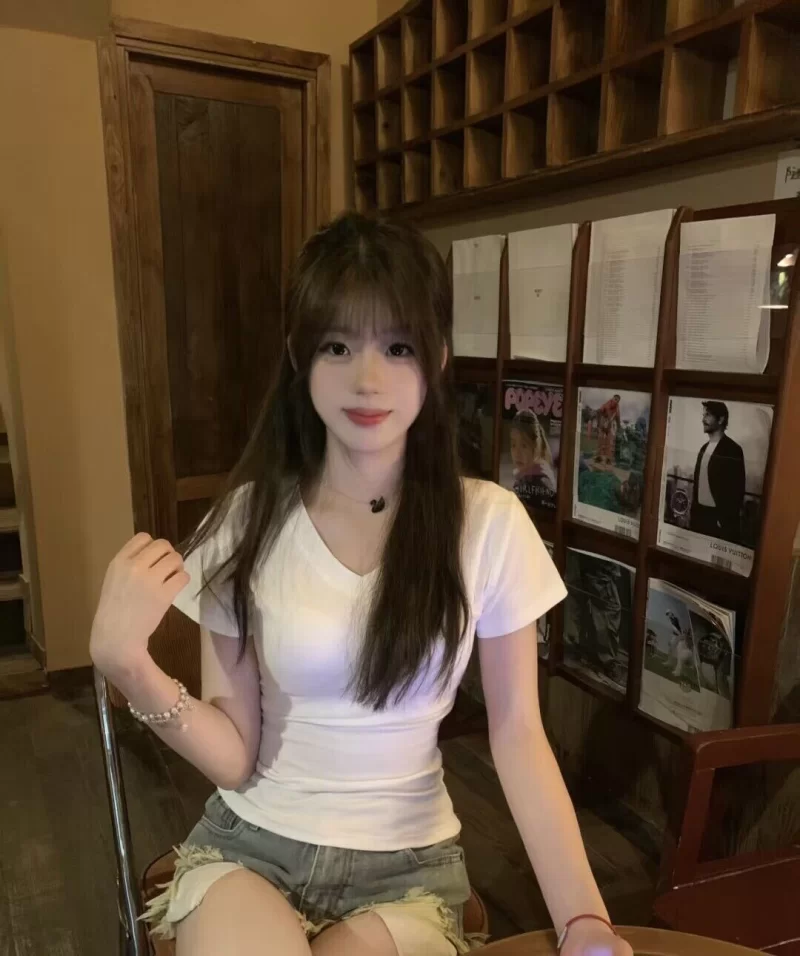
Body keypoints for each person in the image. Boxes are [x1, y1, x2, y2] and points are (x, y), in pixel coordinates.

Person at [90, 214, 631, 956]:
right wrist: (132, 669)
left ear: (437, 358)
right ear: (299, 356)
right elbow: (236, 757)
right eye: (337, 346)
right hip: (250, 850)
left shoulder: (489, 523)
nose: (367, 379)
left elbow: (517, 734)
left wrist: (585, 920)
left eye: (397, 347)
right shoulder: (246, 520)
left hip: (407, 873)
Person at [690, 401, 745, 543]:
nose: (703, 419)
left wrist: (724, 519)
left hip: (718, 521)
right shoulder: (703, 448)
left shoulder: (733, 449)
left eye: (708, 415)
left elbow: (737, 488)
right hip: (699, 517)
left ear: (721, 419)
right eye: (703, 415)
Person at [509, 409, 556, 507]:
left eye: (524, 446)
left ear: (536, 446)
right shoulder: (524, 477)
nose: (517, 453)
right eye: (513, 445)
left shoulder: (540, 483)